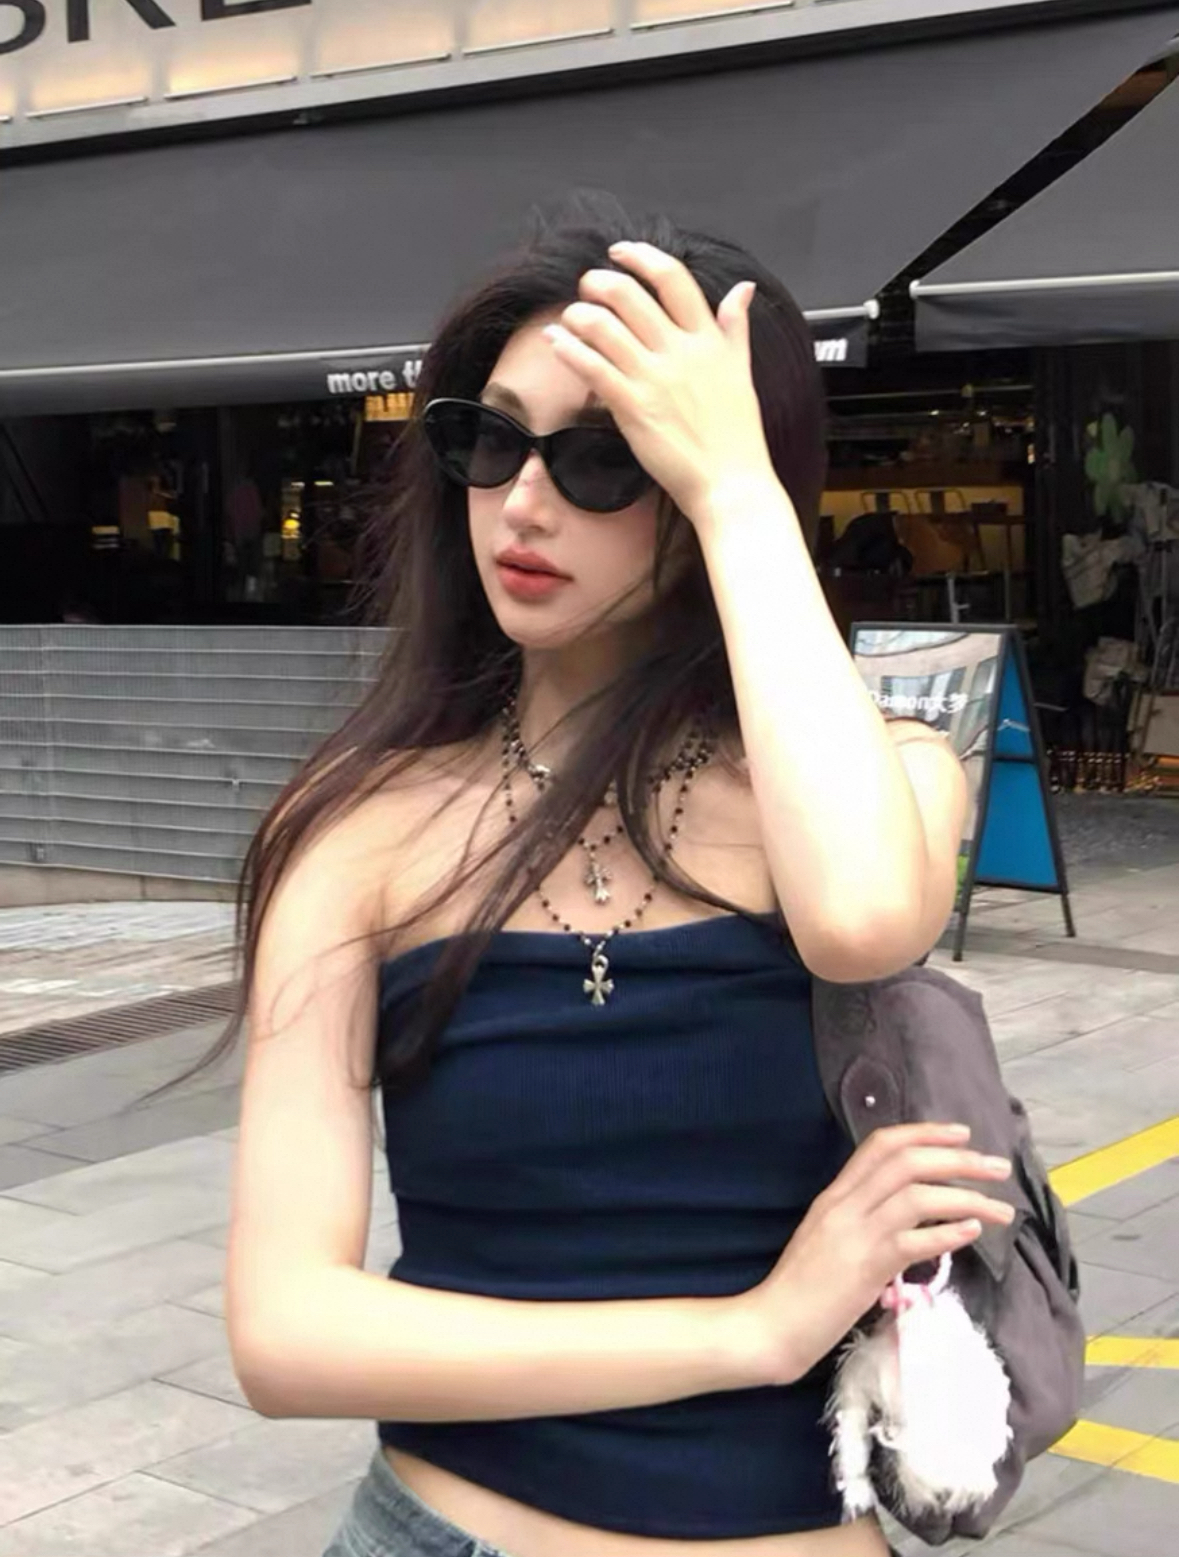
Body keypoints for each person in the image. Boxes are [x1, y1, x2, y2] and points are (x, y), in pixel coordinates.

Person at [222, 200, 1017, 1557]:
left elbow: (860, 921)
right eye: (489, 440)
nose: (525, 502)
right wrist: (749, 1332)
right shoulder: (361, 829)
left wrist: (738, 492)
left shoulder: (885, 775)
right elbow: (285, 1330)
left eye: (607, 458)